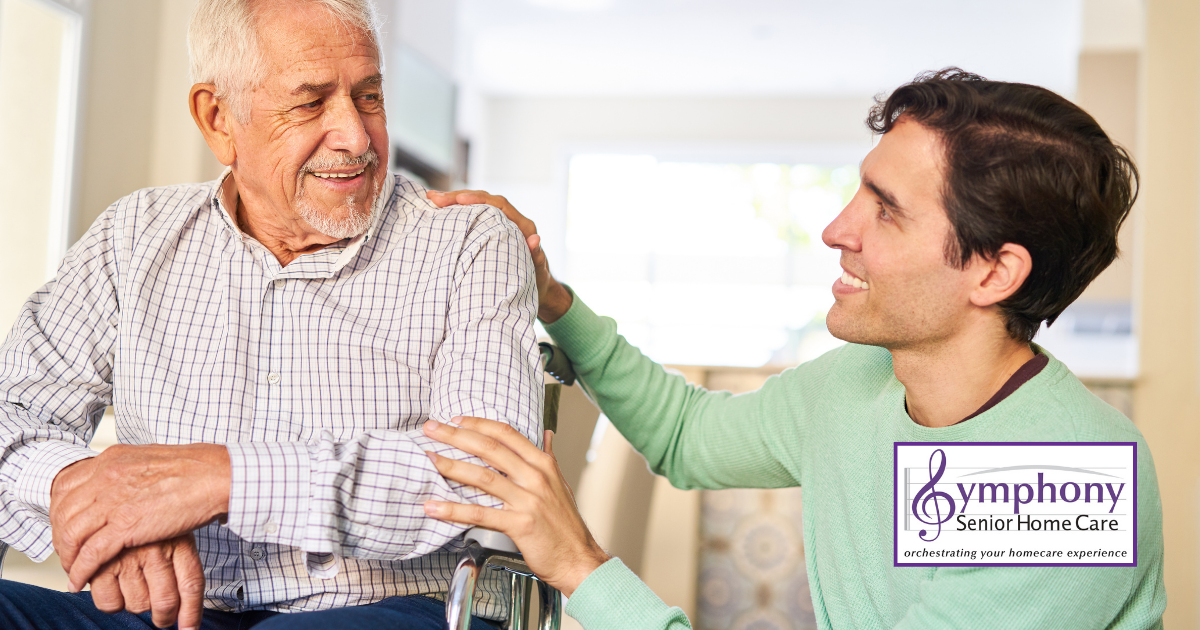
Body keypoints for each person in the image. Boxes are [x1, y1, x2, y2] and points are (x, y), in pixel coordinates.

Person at [420, 69, 1168, 629]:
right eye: (859, 191)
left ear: (993, 271)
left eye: (888, 211)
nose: (838, 230)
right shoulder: (856, 385)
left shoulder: (1074, 489)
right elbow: (685, 435)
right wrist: (555, 300)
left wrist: (582, 566)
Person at [0, 1, 542, 629]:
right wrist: (93, 496)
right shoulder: (133, 236)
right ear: (218, 118)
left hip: (383, 609)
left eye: (368, 96)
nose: (357, 137)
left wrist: (221, 479)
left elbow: (485, 476)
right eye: (311, 103)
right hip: (166, 609)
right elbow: (13, 413)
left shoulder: (470, 241)